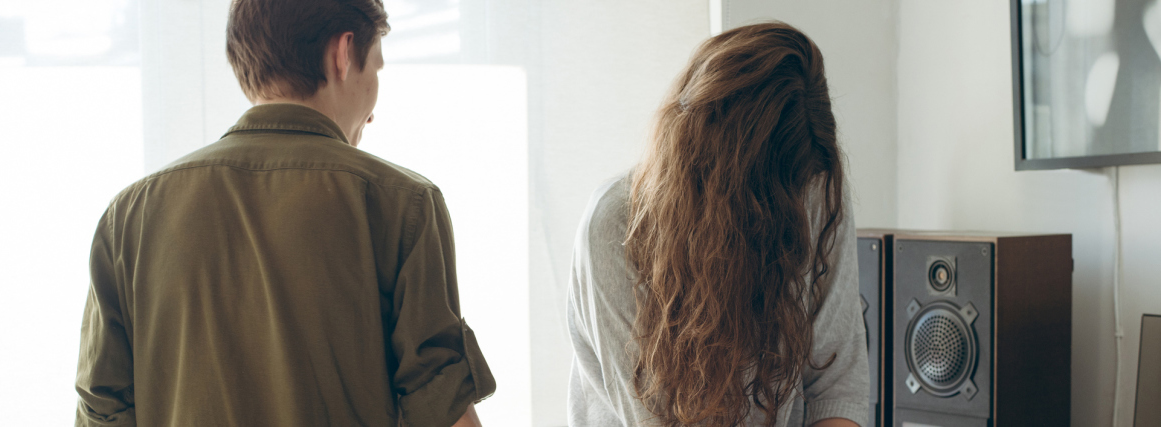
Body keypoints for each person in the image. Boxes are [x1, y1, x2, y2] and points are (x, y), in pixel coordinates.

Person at [74, 0, 494, 425]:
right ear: (343, 54)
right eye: (377, 70)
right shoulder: (403, 204)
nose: (373, 113)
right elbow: (442, 412)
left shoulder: (129, 217)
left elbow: (101, 410)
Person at [566, 22, 866, 427]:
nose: (791, 214)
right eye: (770, 204)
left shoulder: (812, 183)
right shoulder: (615, 228)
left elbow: (837, 387)